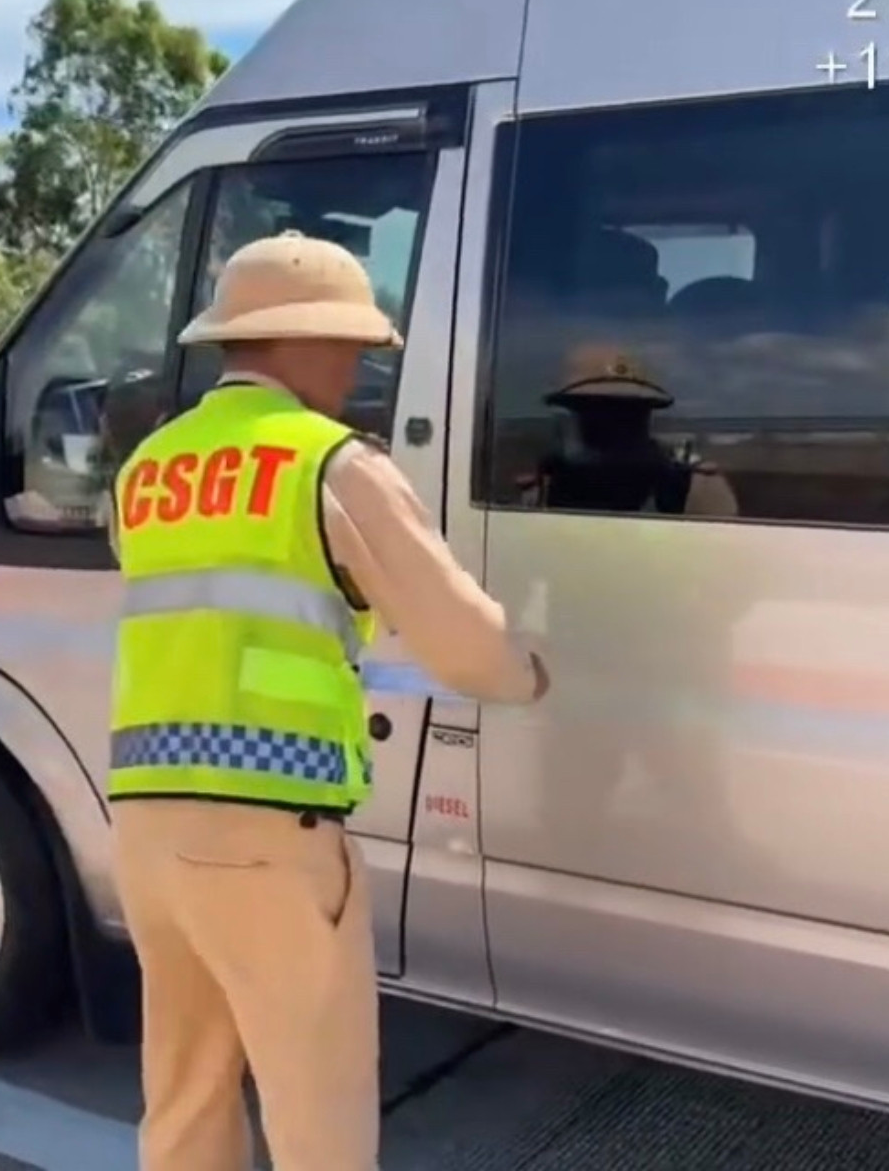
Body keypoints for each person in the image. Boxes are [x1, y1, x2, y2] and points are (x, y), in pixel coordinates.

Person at [105, 229, 549, 1171]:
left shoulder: (147, 469)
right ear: (299, 339)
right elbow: (463, 642)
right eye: (348, 347)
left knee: (184, 1097)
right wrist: (531, 672)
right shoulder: (330, 464)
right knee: (319, 1114)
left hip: (146, 830)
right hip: (270, 836)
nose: (355, 369)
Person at [516, 344, 739, 517]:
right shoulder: (546, 489)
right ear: (575, 416)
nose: (614, 423)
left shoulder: (692, 491)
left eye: (631, 411)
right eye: (596, 409)